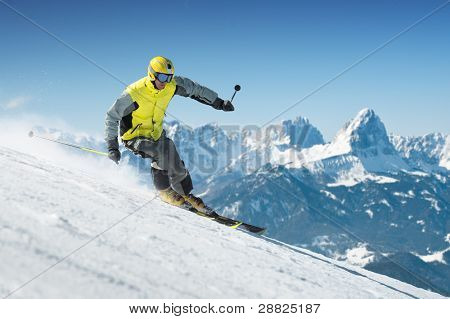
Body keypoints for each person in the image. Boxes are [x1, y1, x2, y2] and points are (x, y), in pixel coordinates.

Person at [104, 56, 234, 211]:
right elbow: (112, 116)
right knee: (160, 152)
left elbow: (195, 89)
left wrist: (219, 103)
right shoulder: (134, 93)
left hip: (156, 134)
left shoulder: (171, 86)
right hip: (133, 137)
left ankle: (186, 194)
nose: (165, 81)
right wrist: (112, 146)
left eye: (169, 77)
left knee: (171, 152)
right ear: (152, 74)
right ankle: (164, 191)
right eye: (163, 77)